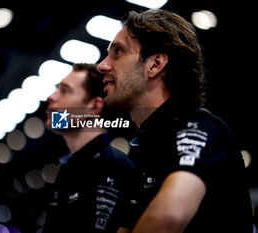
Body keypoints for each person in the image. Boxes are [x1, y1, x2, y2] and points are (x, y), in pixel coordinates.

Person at [97, 9, 253, 233]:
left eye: (118, 52)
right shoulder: (142, 151)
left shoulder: (201, 128)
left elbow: (168, 217)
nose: (102, 65)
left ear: (155, 64)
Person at [42, 63, 135, 233]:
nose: (51, 97)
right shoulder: (69, 169)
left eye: (64, 90)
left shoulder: (111, 166)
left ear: (93, 107)